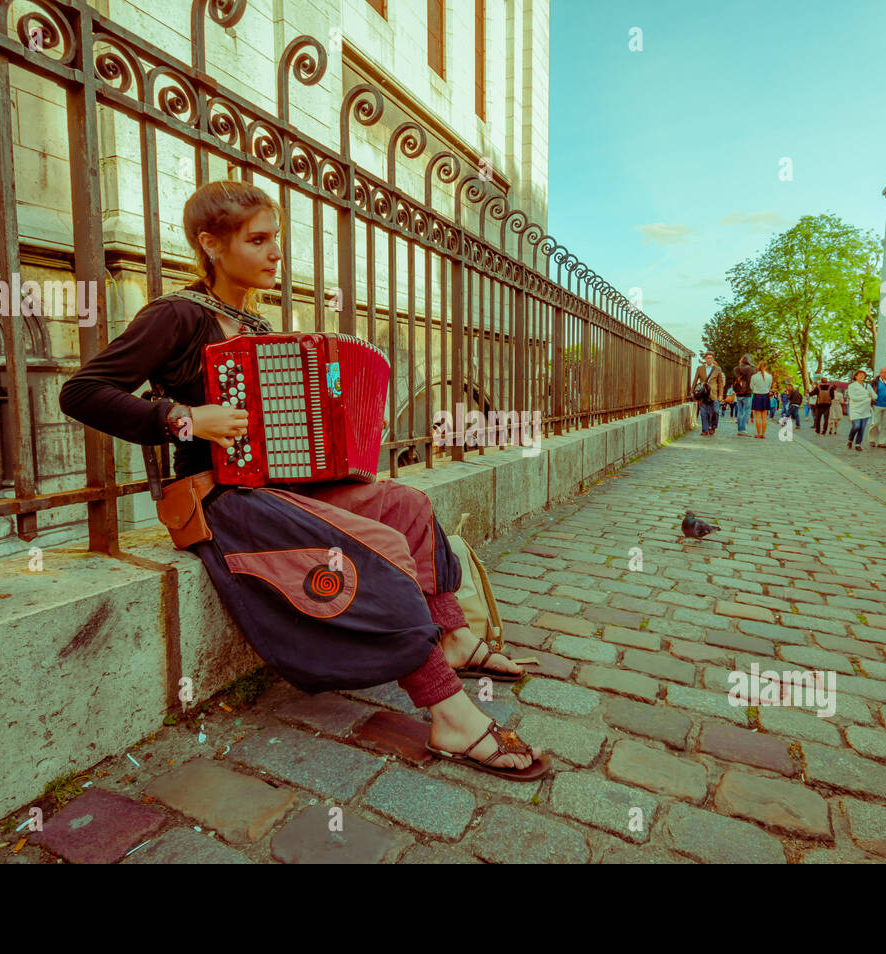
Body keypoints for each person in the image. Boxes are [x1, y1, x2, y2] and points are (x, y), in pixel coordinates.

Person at [59, 180, 547, 780]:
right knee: (382, 547)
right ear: (210, 244)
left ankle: (450, 636)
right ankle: (450, 716)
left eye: (276, 240)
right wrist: (184, 420)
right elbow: (81, 393)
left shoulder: (259, 328)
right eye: (258, 240)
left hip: (279, 488)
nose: (275, 253)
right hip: (223, 499)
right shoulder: (175, 315)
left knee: (407, 505)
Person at [692, 352, 726, 436]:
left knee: (715, 411)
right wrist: (692, 391)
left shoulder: (718, 369)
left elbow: (720, 383)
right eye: (708, 358)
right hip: (703, 394)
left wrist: (721, 395)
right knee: (703, 412)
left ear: (713, 359)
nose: (709, 359)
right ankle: (705, 430)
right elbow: (695, 380)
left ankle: (713, 427)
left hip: (714, 394)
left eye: (711, 358)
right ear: (705, 359)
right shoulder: (700, 368)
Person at [846, 370, 872, 451]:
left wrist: (872, 397)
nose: (862, 376)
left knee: (862, 428)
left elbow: (873, 395)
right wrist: (865, 396)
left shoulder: (868, 386)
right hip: (855, 409)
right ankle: (850, 439)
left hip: (865, 409)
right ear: (856, 376)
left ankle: (858, 444)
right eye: (860, 375)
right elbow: (853, 398)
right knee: (857, 426)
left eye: (863, 375)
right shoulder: (852, 386)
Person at [750, 359, 774, 438]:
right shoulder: (770, 376)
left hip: (757, 396)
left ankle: (758, 433)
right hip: (765, 396)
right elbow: (769, 386)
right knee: (764, 417)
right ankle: (763, 434)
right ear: (766, 367)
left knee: (757, 416)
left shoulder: (754, 376)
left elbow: (751, 387)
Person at [732, 355, 755, 436]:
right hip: (748, 393)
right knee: (746, 412)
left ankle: (739, 429)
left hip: (738, 393)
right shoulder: (751, 369)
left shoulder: (736, 369)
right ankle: (743, 429)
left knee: (740, 411)